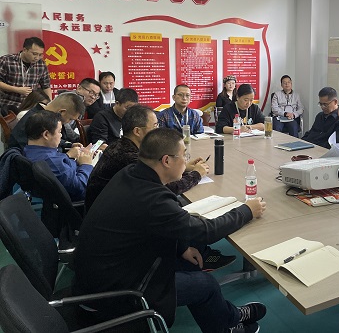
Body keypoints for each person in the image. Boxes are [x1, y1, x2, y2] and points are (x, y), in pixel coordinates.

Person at [73, 128, 268, 333]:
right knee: (206, 285)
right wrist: (247, 211)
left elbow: (163, 222)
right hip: (112, 293)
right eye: (184, 156)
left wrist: (183, 247)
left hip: (102, 272)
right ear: (166, 160)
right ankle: (229, 323)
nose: (186, 161)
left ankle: (226, 317)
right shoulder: (152, 199)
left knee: (190, 261)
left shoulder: (131, 173)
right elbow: (206, 231)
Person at [85, 104, 209, 210]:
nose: (158, 130)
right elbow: (167, 188)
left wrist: (184, 167)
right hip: (112, 215)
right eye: (155, 126)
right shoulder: (129, 158)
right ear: (137, 131)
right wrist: (197, 174)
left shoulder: (121, 145)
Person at [22, 111, 93, 201]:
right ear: (46, 134)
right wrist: (86, 164)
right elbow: (80, 187)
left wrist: (71, 157)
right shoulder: (51, 161)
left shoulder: (29, 150)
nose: (61, 135)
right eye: (59, 131)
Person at [9, 92, 85, 149]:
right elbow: (34, 155)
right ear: (61, 112)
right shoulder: (35, 121)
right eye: (70, 119)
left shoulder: (45, 116)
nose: (69, 122)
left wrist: (69, 145)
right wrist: (69, 156)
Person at [0, 37, 52, 116]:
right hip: (8, 105)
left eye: (40, 55)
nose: (37, 57)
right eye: (34, 54)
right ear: (25, 50)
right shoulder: (6, 61)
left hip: (31, 108)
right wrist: (16, 89)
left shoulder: (41, 64)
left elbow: (46, 86)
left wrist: (50, 104)